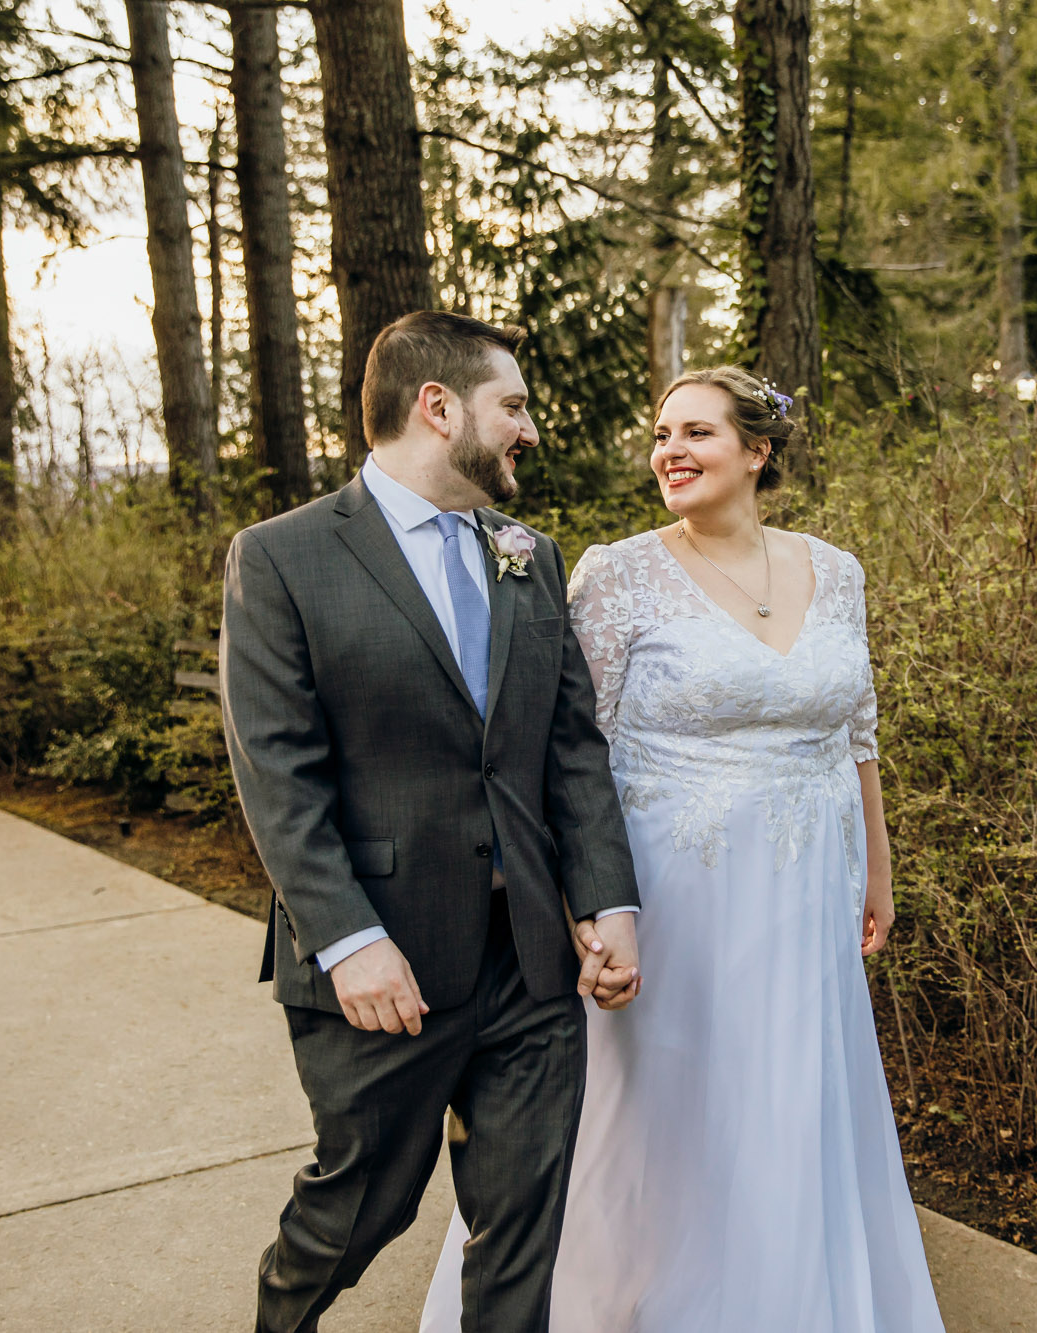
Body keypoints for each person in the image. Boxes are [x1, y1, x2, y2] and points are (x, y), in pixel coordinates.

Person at [420, 366, 945, 1332]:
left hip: (808, 886)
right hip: (672, 891)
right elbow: (570, 752)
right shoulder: (616, 573)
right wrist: (588, 902)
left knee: (791, 1097)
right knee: (656, 1108)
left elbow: (856, 730)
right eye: (662, 434)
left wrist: (878, 862)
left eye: (697, 432)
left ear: (759, 450)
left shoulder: (837, 569)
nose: (671, 450)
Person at [220, 310, 644, 1333]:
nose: (529, 429)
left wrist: (608, 898)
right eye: (514, 406)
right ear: (438, 407)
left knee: (519, 1228)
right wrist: (350, 940)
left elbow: (568, 748)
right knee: (355, 1210)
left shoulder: (528, 556)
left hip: (532, 963)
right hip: (383, 962)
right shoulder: (280, 558)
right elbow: (276, 769)